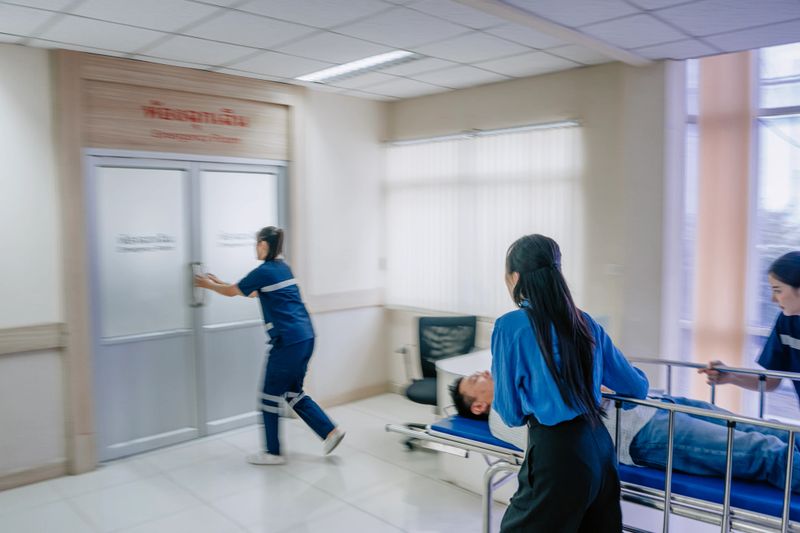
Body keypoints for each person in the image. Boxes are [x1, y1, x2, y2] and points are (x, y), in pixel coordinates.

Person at [491, 234, 649, 532]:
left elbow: (510, 413)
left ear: (515, 277)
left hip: (557, 454)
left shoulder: (511, 327)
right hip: (600, 450)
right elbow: (636, 387)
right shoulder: (586, 322)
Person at [451, 372, 800, 493]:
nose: (484, 372)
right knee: (763, 452)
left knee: (763, 428)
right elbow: (554, 434)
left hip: (654, 403)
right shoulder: (501, 415)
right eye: (476, 379)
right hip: (639, 433)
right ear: (478, 406)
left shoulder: (520, 385)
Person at [194, 226, 344, 465]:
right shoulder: (282, 269)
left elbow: (234, 292)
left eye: (257, 244)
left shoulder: (264, 271)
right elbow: (252, 292)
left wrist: (206, 285)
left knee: (268, 395)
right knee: (293, 392)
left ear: (264, 245)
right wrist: (219, 282)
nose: (256, 248)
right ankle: (329, 431)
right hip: (306, 337)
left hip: (288, 342)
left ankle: (272, 453)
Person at [699, 252, 800, 400]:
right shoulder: (786, 322)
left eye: (778, 290)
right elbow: (771, 381)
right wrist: (731, 376)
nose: (773, 299)